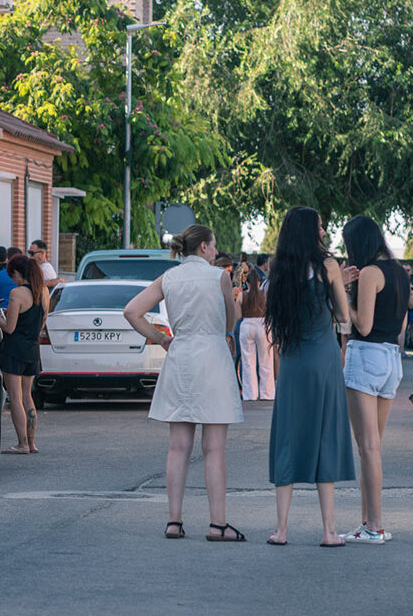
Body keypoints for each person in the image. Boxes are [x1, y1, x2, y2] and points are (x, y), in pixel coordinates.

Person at [123, 224, 245, 542]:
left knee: (178, 447)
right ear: (203, 247)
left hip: (180, 357)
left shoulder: (170, 277)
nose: (217, 251)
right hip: (213, 359)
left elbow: (132, 311)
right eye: (214, 245)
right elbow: (230, 323)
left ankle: (174, 521)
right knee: (214, 448)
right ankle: (218, 524)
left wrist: (161, 338)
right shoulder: (219, 276)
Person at [265, 206, 357, 547]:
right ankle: (330, 531)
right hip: (323, 357)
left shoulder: (280, 269)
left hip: (292, 359)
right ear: (309, 231)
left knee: (288, 435)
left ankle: (281, 530)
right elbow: (343, 317)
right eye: (319, 227)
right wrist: (342, 288)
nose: (323, 232)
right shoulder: (329, 266)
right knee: (325, 435)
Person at [339, 216, 408, 545]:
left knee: (367, 447)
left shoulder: (369, 272)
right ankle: (369, 522)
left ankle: (374, 525)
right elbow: (400, 324)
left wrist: (340, 291)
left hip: (366, 356)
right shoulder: (400, 273)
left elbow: (361, 325)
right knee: (373, 448)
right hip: (391, 358)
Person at [0, 254, 48, 454]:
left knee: (14, 397)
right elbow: (41, 320)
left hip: (13, 349)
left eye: (11, 276)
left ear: (16, 273)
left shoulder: (17, 293)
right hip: (32, 348)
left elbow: (9, 328)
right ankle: (32, 443)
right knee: (27, 396)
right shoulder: (44, 291)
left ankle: (21, 443)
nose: (12, 280)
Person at [238, 270, 274, 401]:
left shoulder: (242, 295)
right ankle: (267, 394)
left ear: (247, 282)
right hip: (263, 324)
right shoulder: (265, 294)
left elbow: (238, 315)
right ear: (259, 282)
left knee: (248, 362)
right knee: (266, 361)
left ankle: (250, 395)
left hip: (247, 324)